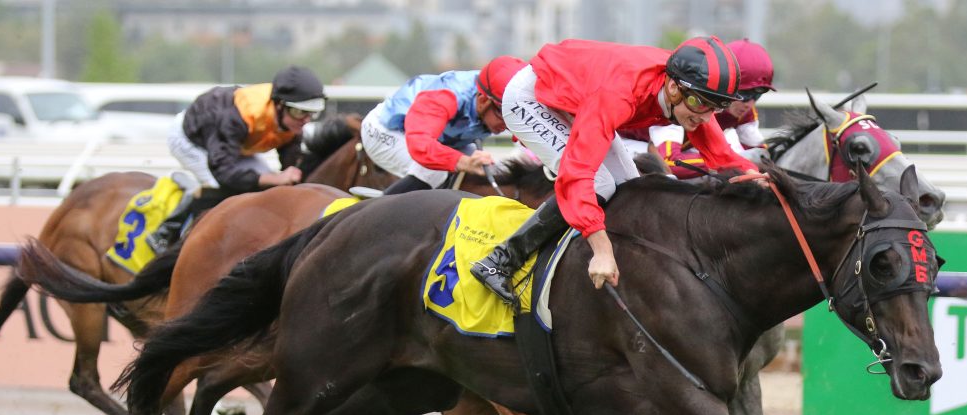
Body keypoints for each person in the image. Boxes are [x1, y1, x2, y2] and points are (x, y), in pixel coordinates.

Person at [469, 36, 761, 303]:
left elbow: (723, 156)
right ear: (674, 88)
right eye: (700, 103)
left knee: (633, 188)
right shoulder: (621, 93)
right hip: (532, 97)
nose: (707, 117)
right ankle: (501, 260)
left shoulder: (689, 93)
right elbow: (577, 174)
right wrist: (601, 248)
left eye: (716, 107)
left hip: (579, 96)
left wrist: (759, 178)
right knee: (600, 185)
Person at [149, 65, 327, 251]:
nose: (305, 120)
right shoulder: (238, 116)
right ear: (280, 105)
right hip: (191, 140)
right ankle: (166, 232)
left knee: (268, 186)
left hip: (232, 145)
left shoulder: (292, 119)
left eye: (312, 113)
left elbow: (290, 167)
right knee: (218, 186)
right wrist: (274, 178)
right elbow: (223, 172)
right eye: (300, 112)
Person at [360, 55, 526, 196]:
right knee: (433, 171)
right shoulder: (447, 95)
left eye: (515, 115)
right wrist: (464, 162)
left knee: (487, 170)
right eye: (503, 115)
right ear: (483, 101)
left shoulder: (498, 100)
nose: (508, 125)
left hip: (438, 137)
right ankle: (375, 213)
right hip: (386, 130)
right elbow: (421, 146)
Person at [620, 38, 776, 178]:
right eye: (744, 94)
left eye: (757, 96)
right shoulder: (680, 102)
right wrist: (731, 165)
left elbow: (760, 155)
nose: (749, 104)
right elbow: (669, 162)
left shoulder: (742, 112)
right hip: (633, 143)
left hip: (676, 151)